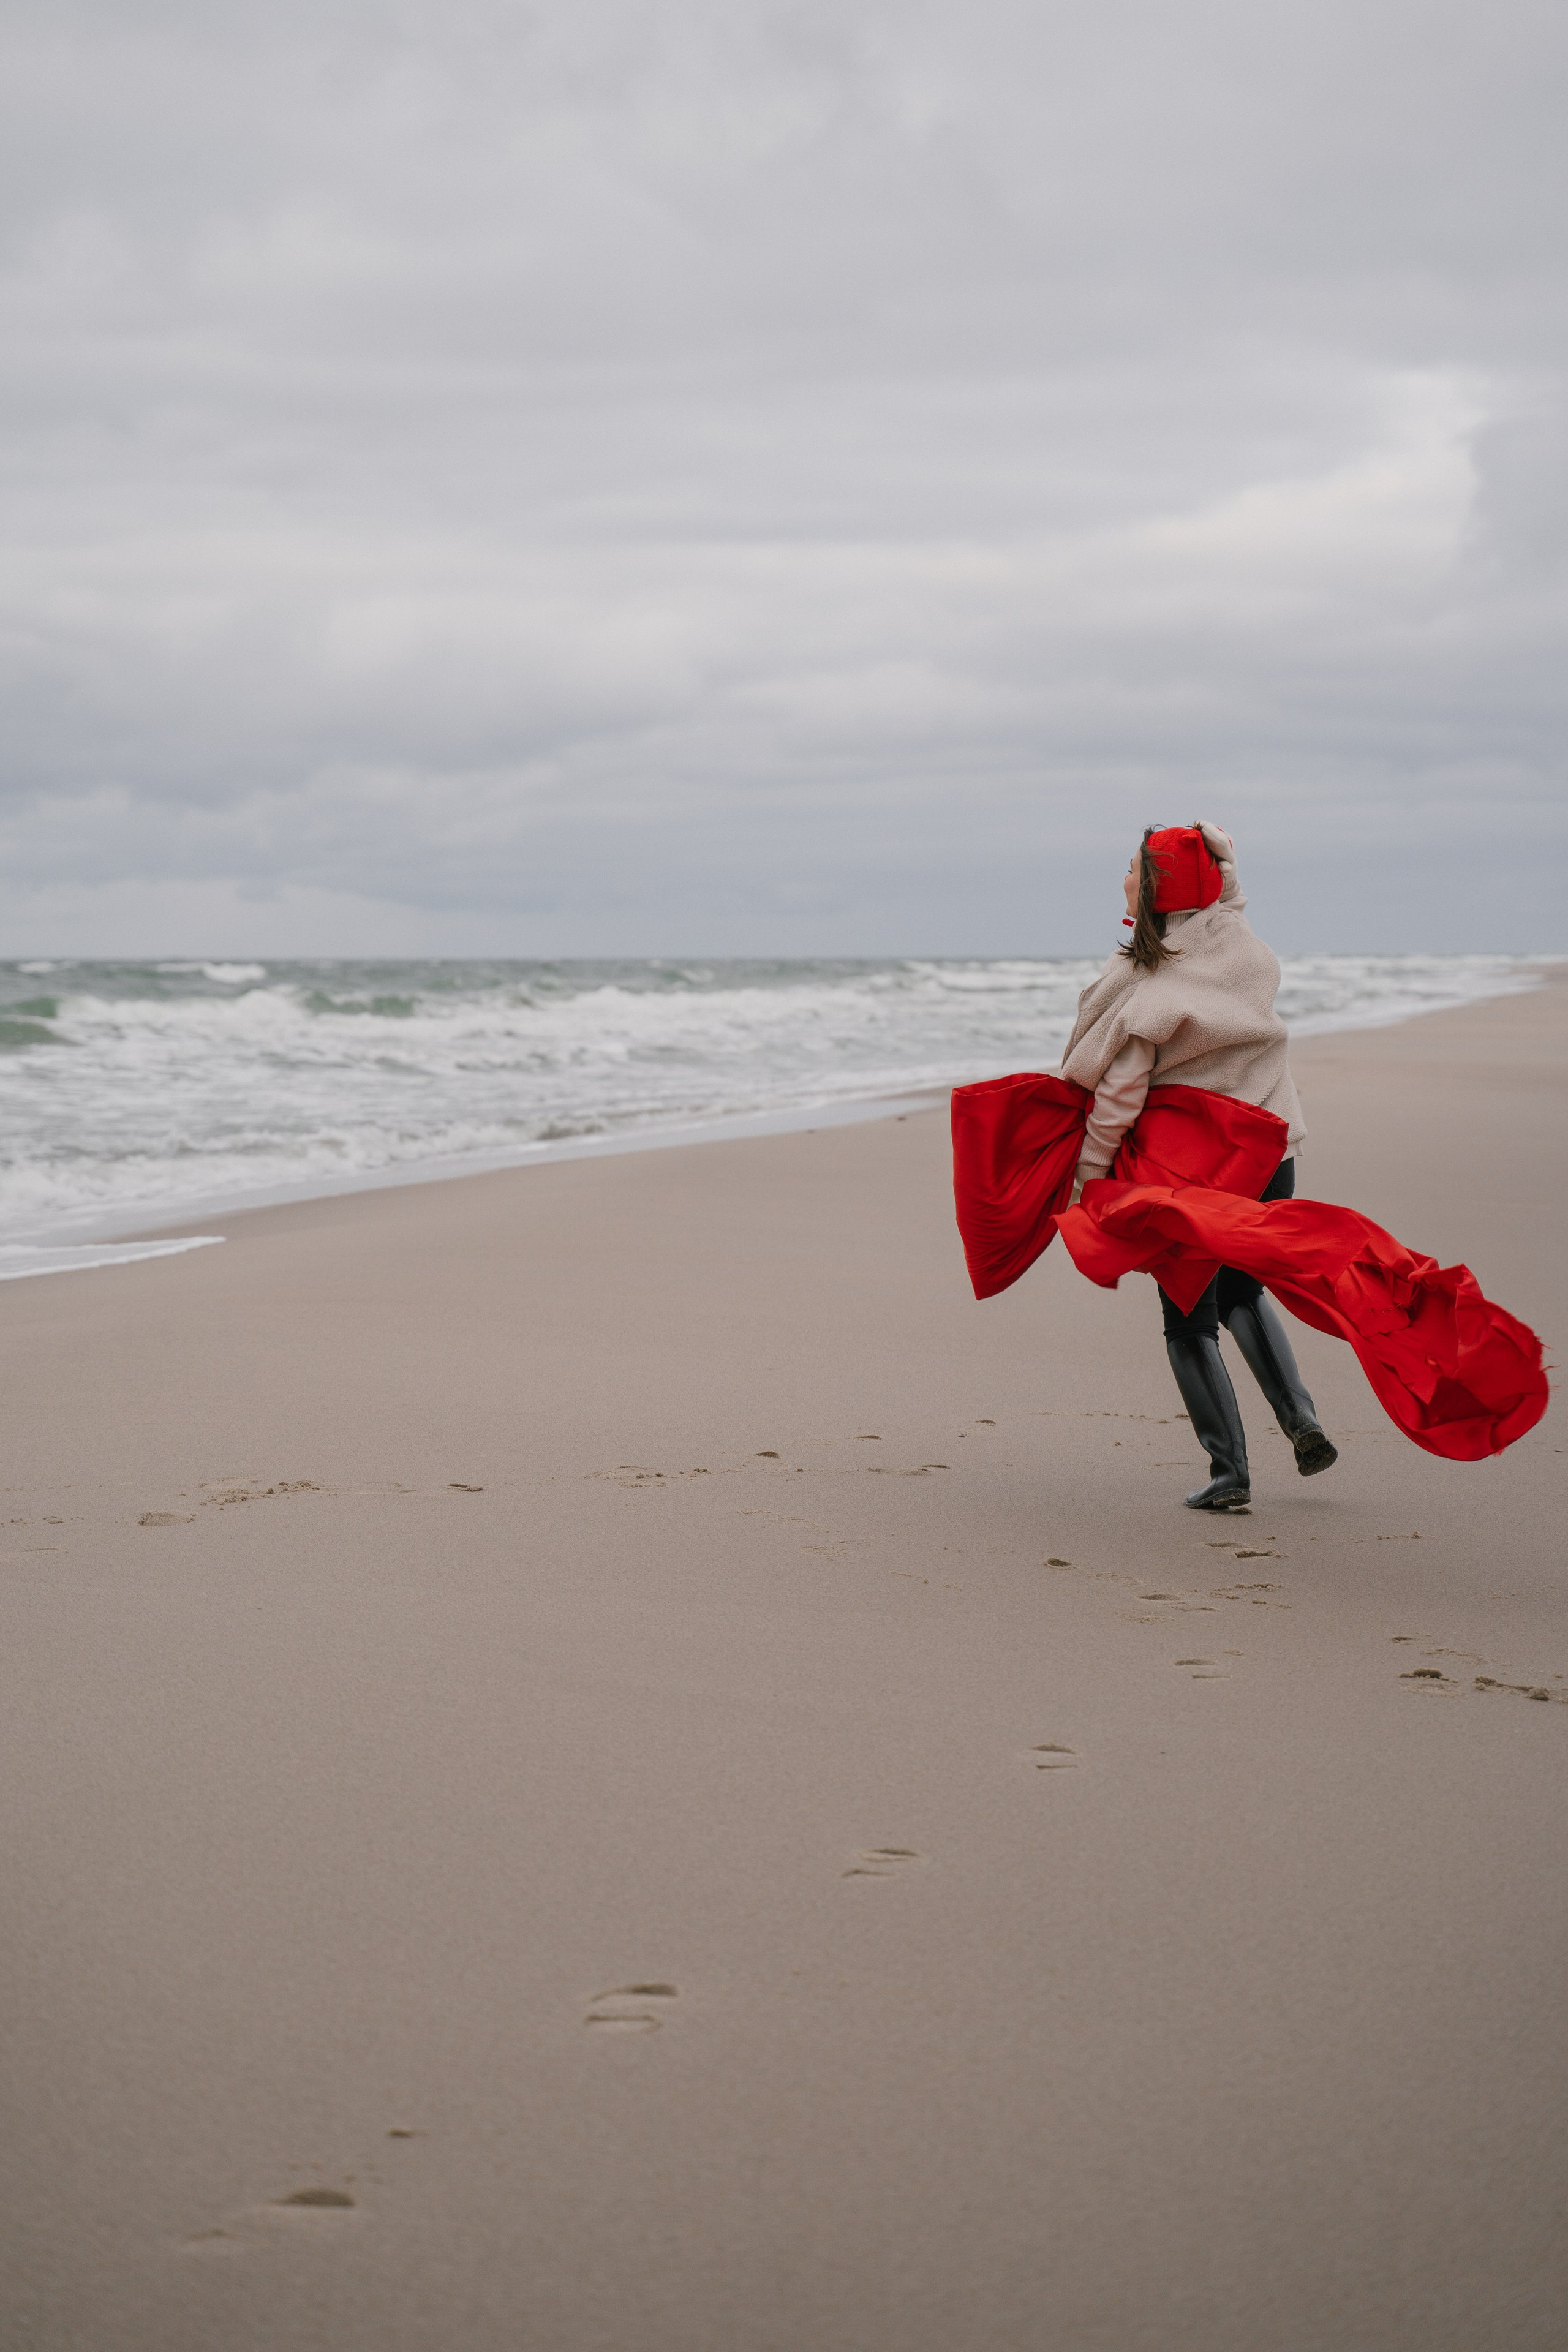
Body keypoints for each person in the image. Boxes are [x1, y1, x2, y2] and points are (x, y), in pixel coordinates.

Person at [1058, 822, 1336, 1512]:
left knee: (1189, 1314)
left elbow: (1119, 1097)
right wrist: (1225, 861)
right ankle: (1299, 1420)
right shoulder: (1238, 948)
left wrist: (1090, 1175)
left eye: (1132, 870)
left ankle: (1229, 1472)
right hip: (1273, 1159)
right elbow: (1226, 903)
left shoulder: (1152, 994)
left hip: (1203, 1176)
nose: (1122, 878)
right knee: (1243, 1290)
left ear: (1154, 890)